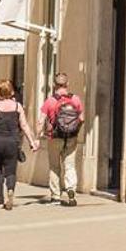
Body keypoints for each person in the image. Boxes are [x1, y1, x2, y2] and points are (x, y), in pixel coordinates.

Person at [0, 80, 38, 210]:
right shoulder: (17, 106)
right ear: (11, 91)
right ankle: (10, 190)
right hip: (12, 142)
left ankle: (0, 201)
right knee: (10, 171)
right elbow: (24, 125)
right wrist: (31, 142)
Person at [39, 73, 84, 206]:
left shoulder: (50, 101)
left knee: (54, 167)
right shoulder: (75, 99)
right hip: (71, 137)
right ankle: (71, 190)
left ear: (54, 85)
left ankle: (56, 196)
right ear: (67, 84)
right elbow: (81, 118)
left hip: (55, 137)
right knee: (69, 166)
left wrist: (38, 136)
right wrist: (75, 130)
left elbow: (40, 120)